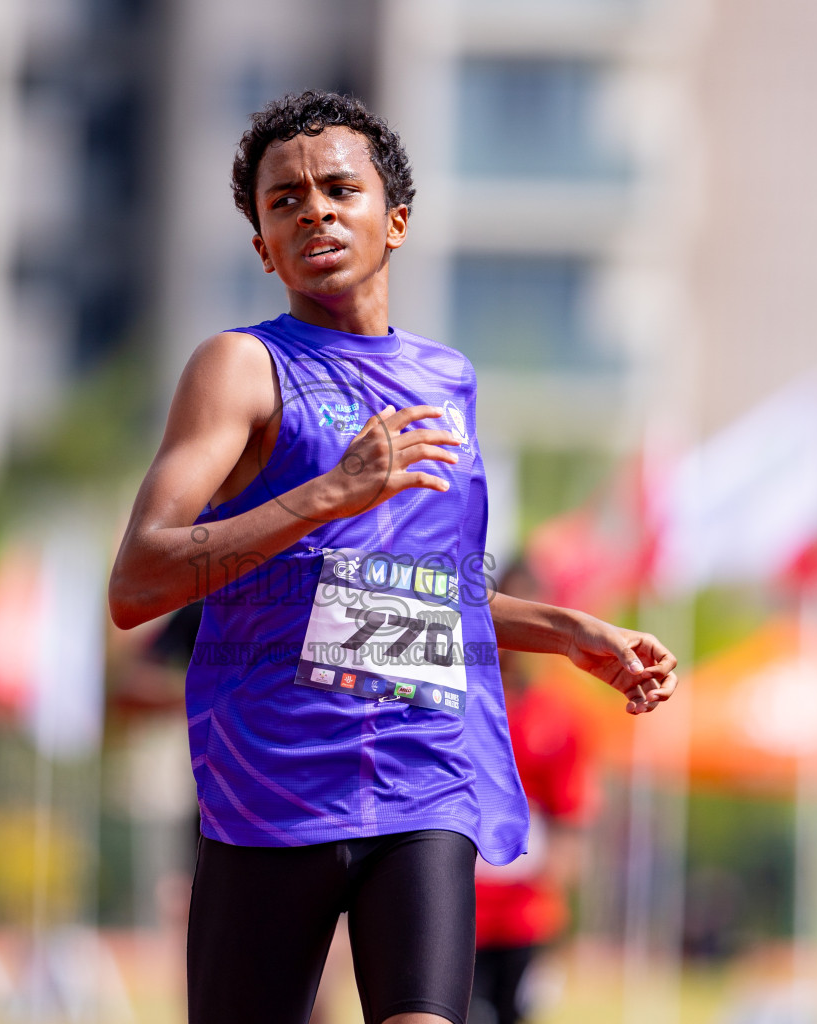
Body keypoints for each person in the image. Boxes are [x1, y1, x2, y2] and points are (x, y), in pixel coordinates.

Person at [108, 91, 678, 1024]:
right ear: (262, 244)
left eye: (340, 189)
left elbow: (411, 603)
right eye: (284, 201)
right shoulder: (241, 368)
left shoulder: (445, 382)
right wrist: (329, 493)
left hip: (422, 778)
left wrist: (570, 632)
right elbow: (140, 580)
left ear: (395, 220)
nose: (315, 212)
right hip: (272, 791)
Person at [471, 564, 601, 1024]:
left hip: (524, 917)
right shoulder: (454, 702)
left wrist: (554, 920)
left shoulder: (560, 719)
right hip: (452, 904)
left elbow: (572, 821)